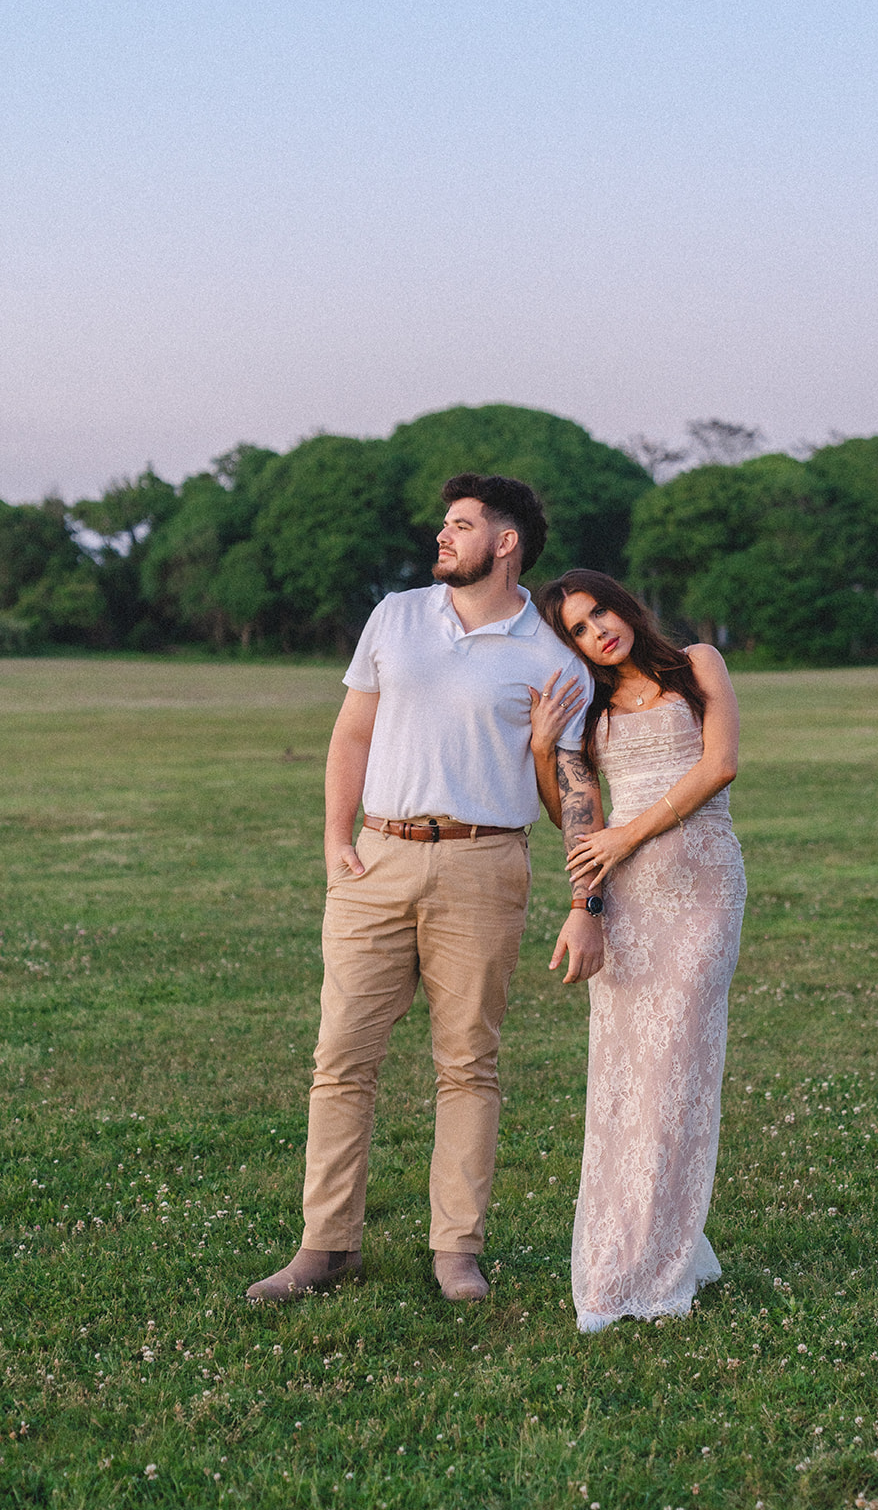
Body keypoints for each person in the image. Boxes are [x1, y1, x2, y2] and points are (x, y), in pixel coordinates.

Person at [247, 476, 604, 1307]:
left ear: (505, 542)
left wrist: (553, 764)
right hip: (378, 859)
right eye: (444, 524)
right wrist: (337, 842)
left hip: (485, 865)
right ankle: (326, 1248)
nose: (442, 537)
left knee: (468, 1066)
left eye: (461, 525)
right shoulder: (396, 616)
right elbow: (352, 732)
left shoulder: (555, 660)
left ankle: (456, 1251)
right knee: (340, 1061)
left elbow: (573, 807)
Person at [534, 570, 746, 1332]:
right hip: (628, 902)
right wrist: (540, 750)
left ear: (623, 604)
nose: (599, 633)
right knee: (625, 1077)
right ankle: (633, 1251)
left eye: (601, 613)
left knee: (677, 1068)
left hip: (704, 891)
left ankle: (656, 1269)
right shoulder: (586, 712)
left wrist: (630, 830)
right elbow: (576, 818)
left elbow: (719, 764)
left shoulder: (698, 664)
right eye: (580, 631)